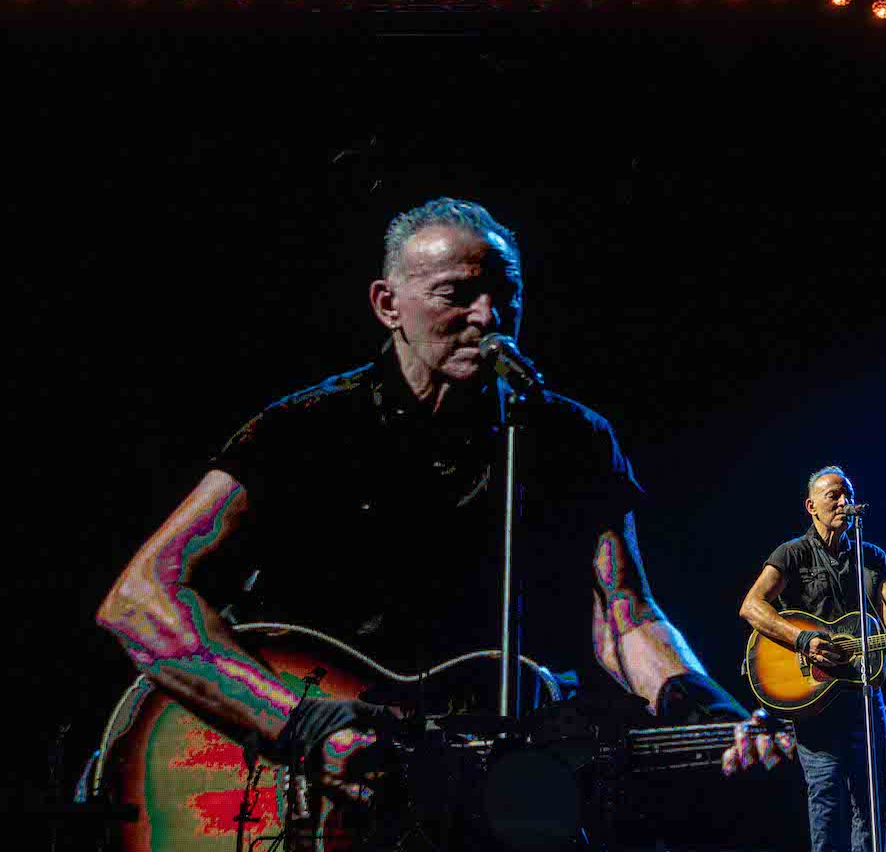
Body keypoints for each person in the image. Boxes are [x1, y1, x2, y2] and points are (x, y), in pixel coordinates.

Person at [96, 197, 787, 821]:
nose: (487, 318)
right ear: (387, 304)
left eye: (504, 295)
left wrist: (704, 711)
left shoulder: (570, 438)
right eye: (457, 294)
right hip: (293, 792)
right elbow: (139, 599)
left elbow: (623, 614)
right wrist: (299, 726)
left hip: (472, 784)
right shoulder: (303, 432)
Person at [738, 465, 886, 852]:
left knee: (875, 802)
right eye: (834, 495)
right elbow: (752, 606)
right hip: (814, 698)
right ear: (811, 506)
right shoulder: (792, 554)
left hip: (862, 698)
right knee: (826, 800)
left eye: (848, 494)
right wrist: (802, 638)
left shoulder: (871, 557)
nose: (844, 502)